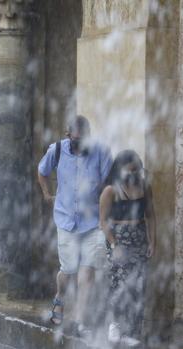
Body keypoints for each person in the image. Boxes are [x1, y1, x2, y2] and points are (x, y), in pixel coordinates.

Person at [37, 115, 112, 334]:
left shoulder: (101, 151)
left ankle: (81, 321)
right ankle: (60, 296)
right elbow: (42, 172)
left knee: (87, 271)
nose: (79, 146)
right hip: (66, 220)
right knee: (68, 270)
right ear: (68, 135)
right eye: (75, 141)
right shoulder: (57, 150)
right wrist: (46, 194)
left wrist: (106, 212)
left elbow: (110, 182)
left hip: (93, 222)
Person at [99, 150, 156, 346]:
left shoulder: (144, 187)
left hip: (139, 240)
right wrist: (114, 245)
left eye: (136, 171)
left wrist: (152, 241)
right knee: (119, 283)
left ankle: (134, 330)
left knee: (138, 285)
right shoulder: (111, 191)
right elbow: (103, 222)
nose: (132, 175)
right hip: (119, 241)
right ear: (119, 170)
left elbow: (151, 215)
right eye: (128, 171)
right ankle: (115, 325)